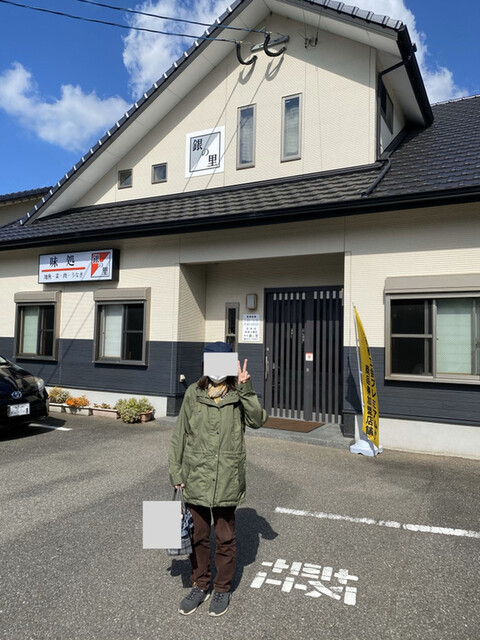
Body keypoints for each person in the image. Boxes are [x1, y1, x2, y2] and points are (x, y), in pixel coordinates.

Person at [168, 341, 267, 617]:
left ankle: (222, 588)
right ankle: (200, 584)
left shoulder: (238, 394)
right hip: (196, 475)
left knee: (225, 537)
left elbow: (258, 420)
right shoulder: (193, 393)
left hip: (226, 477)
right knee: (197, 535)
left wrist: (247, 388)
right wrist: (175, 471)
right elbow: (179, 435)